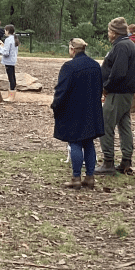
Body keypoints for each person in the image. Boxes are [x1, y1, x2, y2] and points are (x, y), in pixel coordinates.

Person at [52, 37, 105, 189]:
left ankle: (76, 177)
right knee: (88, 143)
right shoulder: (95, 65)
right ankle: (90, 177)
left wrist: (56, 106)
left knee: (74, 142)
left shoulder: (69, 67)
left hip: (73, 110)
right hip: (91, 109)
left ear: (73, 50)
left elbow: (61, 90)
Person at [99, 16, 135, 176]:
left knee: (105, 124)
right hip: (125, 93)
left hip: (118, 92)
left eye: (109, 31)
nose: (108, 34)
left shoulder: (122, 47)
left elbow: (118, 72)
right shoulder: (128, 45)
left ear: (115, 32)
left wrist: (106, 86)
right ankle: (126, 161)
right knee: (124, 125)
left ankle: (108, 162)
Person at [1, 24, 18, 98]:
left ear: (8, 31)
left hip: (8, 61)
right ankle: (12, 94)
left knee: (10, 78)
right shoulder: (14, 39)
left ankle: (11, 96)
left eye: (5, 30)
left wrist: (0, 48)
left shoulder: (8, 39)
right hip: (13, 60)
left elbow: (6, 53)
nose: (4, 31)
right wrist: (3, 45)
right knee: (13, 77)